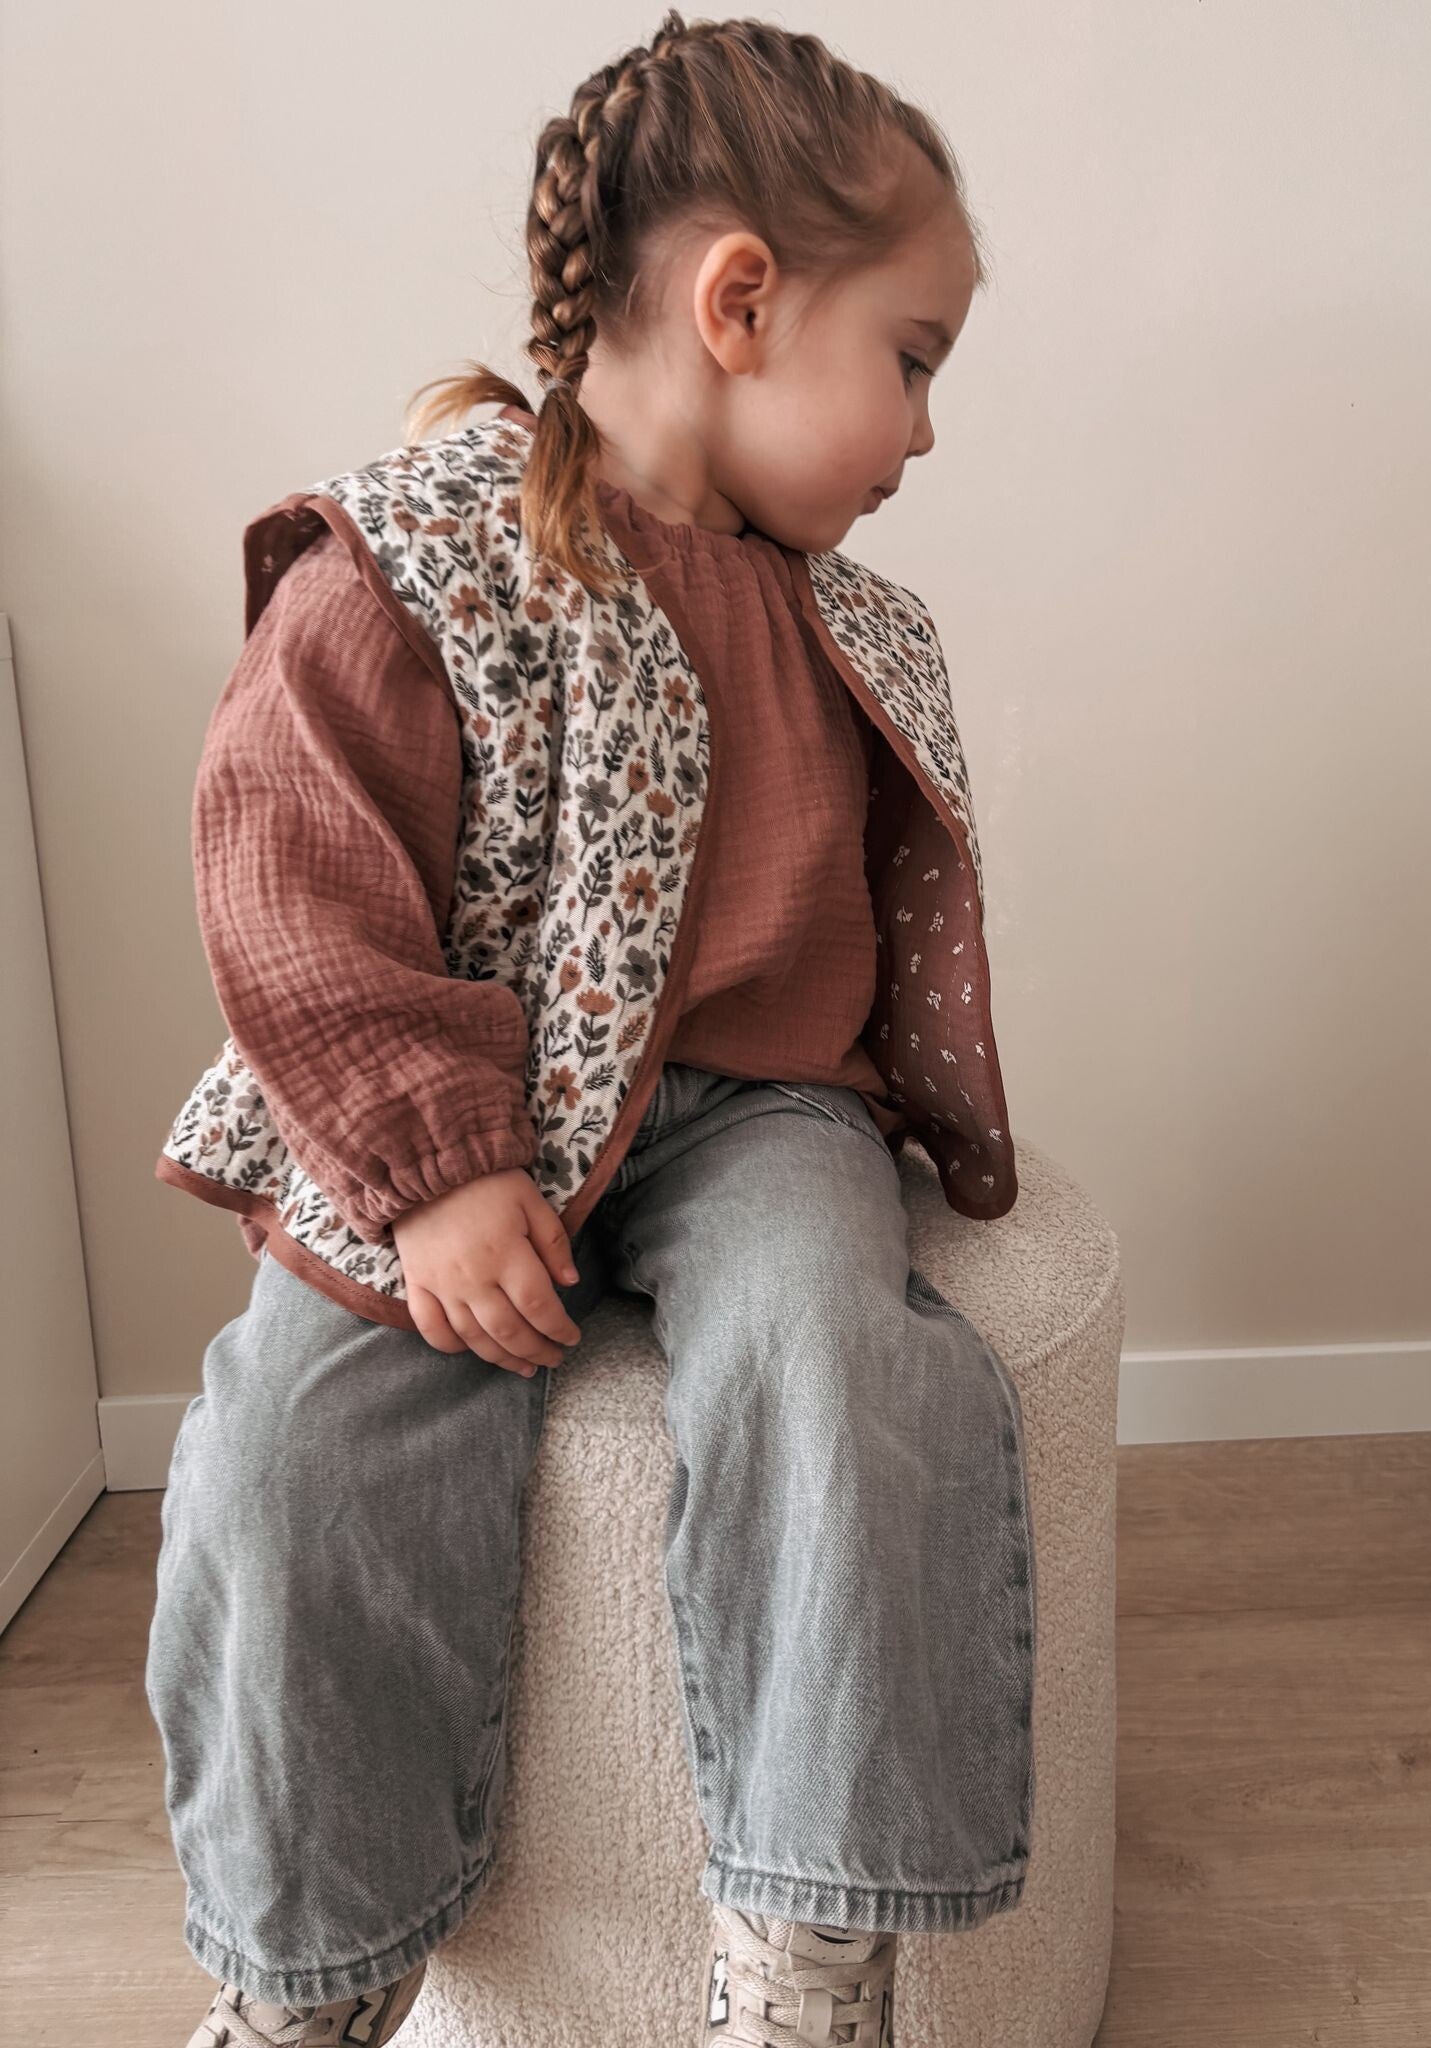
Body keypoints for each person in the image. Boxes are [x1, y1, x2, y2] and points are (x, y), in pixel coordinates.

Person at [146, 13, 1038, 2047]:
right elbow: (292, 859)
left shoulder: (851, 621)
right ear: (743, 301)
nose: (924, 433)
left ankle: (811, 1936)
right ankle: (308, 1970)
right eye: (912, 359)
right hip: (467, 1094)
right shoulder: (436, 544)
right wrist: (431, 1169)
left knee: (842, 1363)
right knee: (289, 1442)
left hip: (764, 1115)